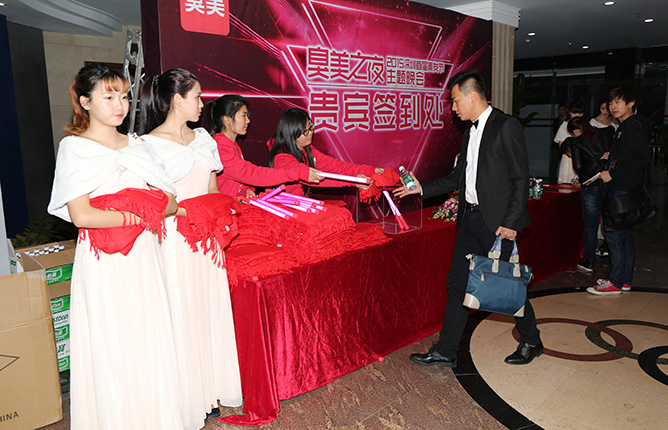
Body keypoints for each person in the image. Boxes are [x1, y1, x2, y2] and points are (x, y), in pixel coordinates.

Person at [47, 63, 185, 429]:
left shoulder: (139, 146)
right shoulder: (75, 149)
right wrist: (137, 212)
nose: (119, 105)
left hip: (144, 256)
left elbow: (170, 202)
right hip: (103, 262)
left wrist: (137, 208)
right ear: (85, 102)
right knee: (112, 342)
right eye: (108, 97)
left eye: (123, 96)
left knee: (148, 337)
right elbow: (82, 215)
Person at [395, 70, 543, 367]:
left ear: (472, 95)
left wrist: (511, 222)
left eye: (455, 100)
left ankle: (531, 340)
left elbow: (519, 177)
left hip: (498, 223)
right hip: (469, 219)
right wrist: (421, 188)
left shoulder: (506, 125)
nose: (453, 108)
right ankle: (446, 350)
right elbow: (458, 178)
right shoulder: (468, 134)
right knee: (457, 283)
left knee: (505, 283)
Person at [138, 69, 243, 428]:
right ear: (177, 100)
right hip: (174, 240)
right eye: (197, 97)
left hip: (207, 240)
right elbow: (156, 202)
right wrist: (192, 212)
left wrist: (219, 216)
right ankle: (187, 398)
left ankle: (209, 390)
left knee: (208, 311)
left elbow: (212, 189)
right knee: (181, 315)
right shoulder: (148, 145)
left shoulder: (204, 139)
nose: (202, 103)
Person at [587, 87, 651, 295]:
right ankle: (624, 280)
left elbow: (641, 157)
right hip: (625, 188)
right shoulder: (625, 126)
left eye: (618, 102)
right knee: (624, 236)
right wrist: (612, 155)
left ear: (631, 103)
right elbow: (631, 154)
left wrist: (612, 173)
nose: (613, 106)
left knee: (614, 236)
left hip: (622, 188)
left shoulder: (631, 126)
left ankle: (614, 282)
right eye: (611, 102)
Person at [202, 95, 323, 198]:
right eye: (244, 115)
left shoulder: (232, 145)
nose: (248, 121)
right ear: (227, 120)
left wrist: (246, 189)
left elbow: (239, 177)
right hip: (223, 212)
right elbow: (252, 174)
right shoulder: (220, 149)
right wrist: (297, 173)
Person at [268, 107, 383, 196]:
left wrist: (370, 170)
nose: (311, 133)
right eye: (305, 131)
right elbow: (314, 178)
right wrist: (354, 181)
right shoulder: (282, 159)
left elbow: (337, 167)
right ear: (292, 134)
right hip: (287, 208)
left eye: (311, 127)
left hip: (303, 204)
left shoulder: (308, 149)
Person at [567, 117, 612, 273]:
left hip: (590, 185)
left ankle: (589, 260)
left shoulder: (576, 142)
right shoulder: (604, 134)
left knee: (591, 225)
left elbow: (578, 166)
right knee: (609, 221)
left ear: (575, 131)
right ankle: (611, 254)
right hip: (607, 182)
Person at [554, 100, 585, 184]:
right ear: (569, 112)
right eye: (574, 113)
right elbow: (561, 146)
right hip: (568, 160)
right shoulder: (564, 125)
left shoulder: (586, 125)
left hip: (583, 159)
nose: (577, 115)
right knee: (566, 184)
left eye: (580, 113)